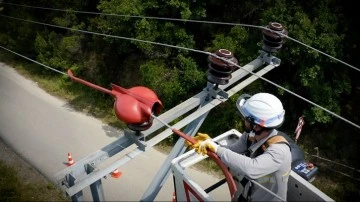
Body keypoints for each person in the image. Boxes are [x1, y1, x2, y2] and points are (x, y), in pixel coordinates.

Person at [188, 93, 292, 202]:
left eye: (246, 119)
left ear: (256, 125)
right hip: (249, 195)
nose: (244, 120)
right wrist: (211, 145)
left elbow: (252, 168)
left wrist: (217, 149)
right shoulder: (250, 136)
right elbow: (231, 151)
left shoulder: (279, 151)